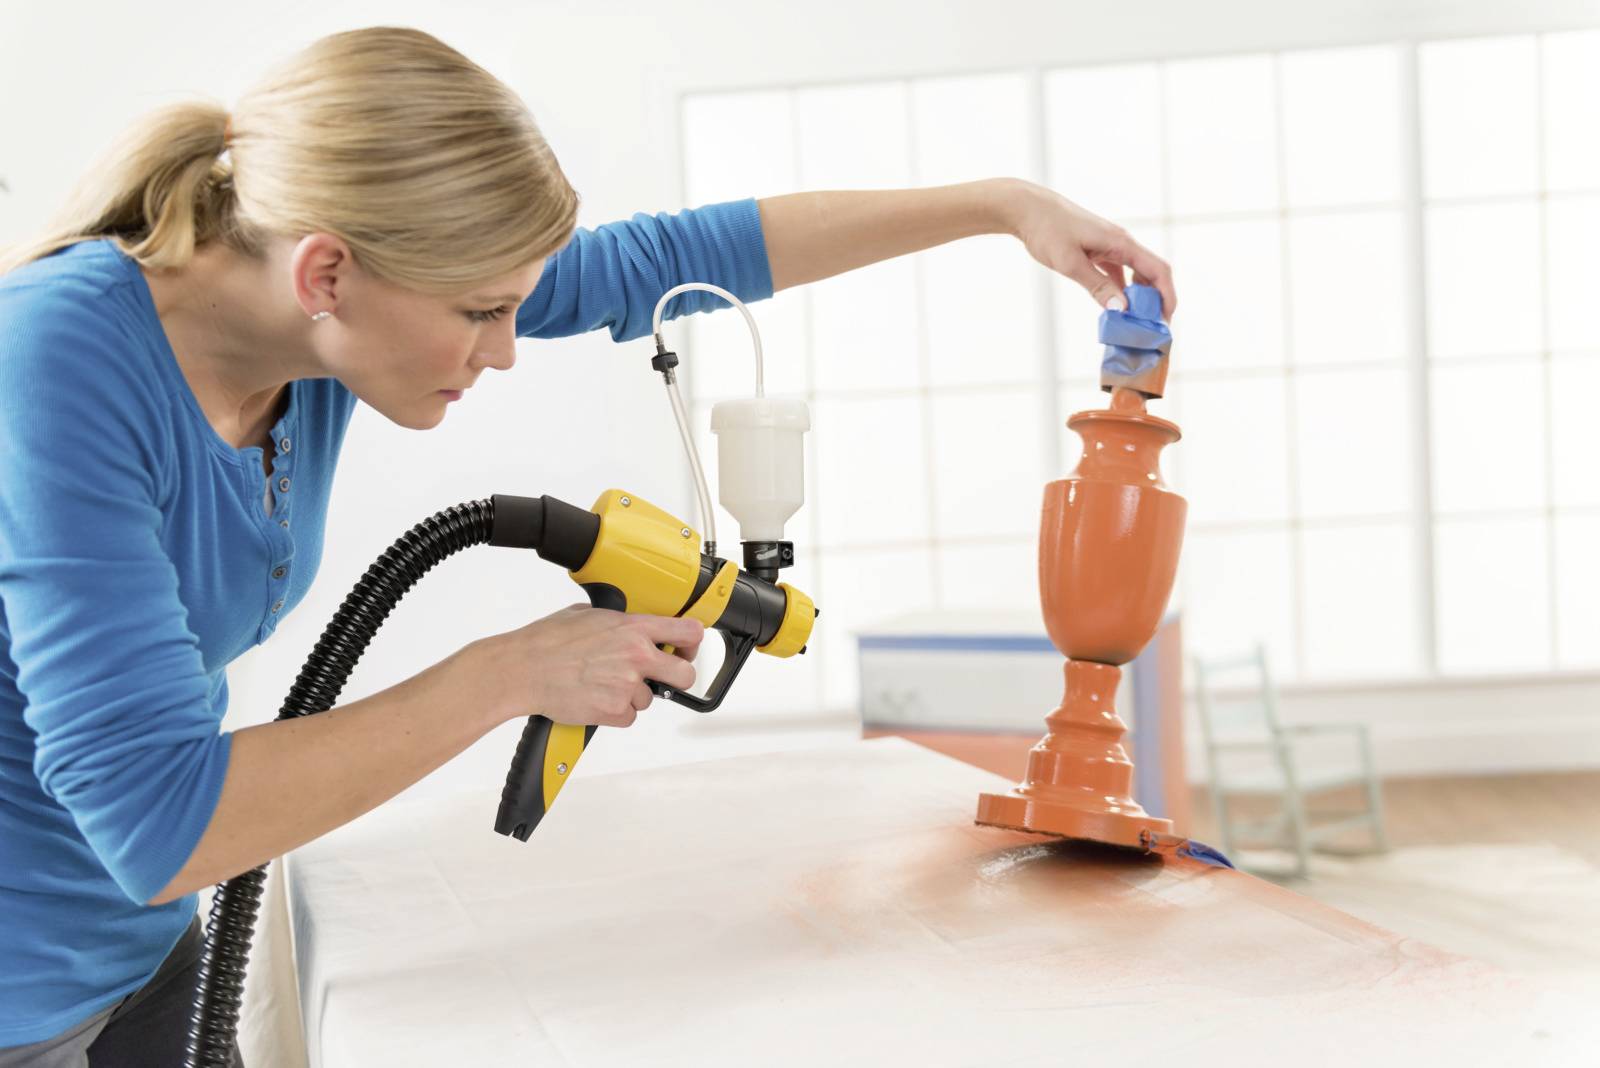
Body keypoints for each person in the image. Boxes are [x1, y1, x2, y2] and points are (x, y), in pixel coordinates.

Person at [0, 25, 1176, 1067]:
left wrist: (999, 205)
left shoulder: (316, 315)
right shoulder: (58, 366)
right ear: (326, 273)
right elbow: (161, 825)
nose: (507, 348)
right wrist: (507, 673)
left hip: (138, 958)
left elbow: (666, 263)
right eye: (481, 314)